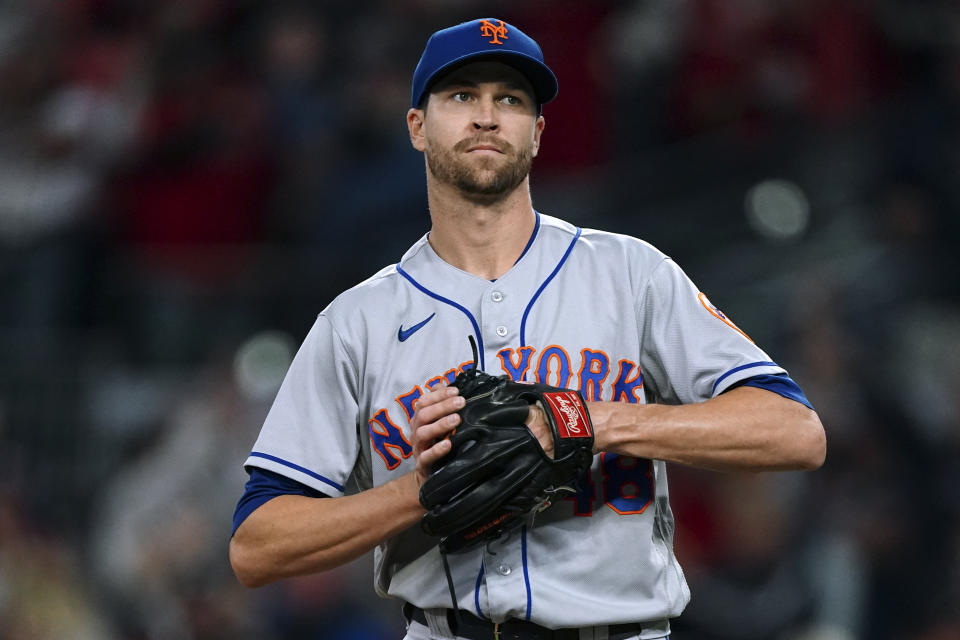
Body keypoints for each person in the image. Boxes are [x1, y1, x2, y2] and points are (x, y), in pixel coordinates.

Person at [229, 18, 826, 640]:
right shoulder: (358, 321)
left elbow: (795, 432)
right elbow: (256, 546)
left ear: (537, 134)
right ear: (416, 127)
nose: (487, 116)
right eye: (461, 96)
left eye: (510, 99)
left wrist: (596, 423)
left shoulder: (628, 272)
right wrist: (422, 493)